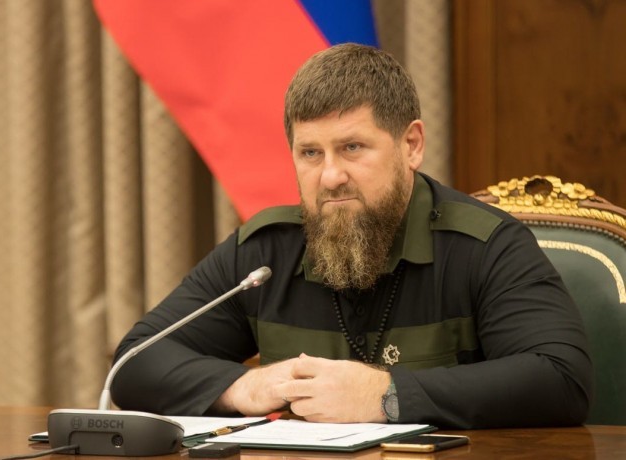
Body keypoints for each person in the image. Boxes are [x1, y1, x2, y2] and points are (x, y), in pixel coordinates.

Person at [110, 43, 592, 429]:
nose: (330, 176)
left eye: (352, 147)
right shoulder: (263, 253)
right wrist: (245, 387)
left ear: (411, 145)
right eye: (310, 153)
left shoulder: (486, 246)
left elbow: (561, 379)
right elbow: (134, 362)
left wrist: (386, 394)